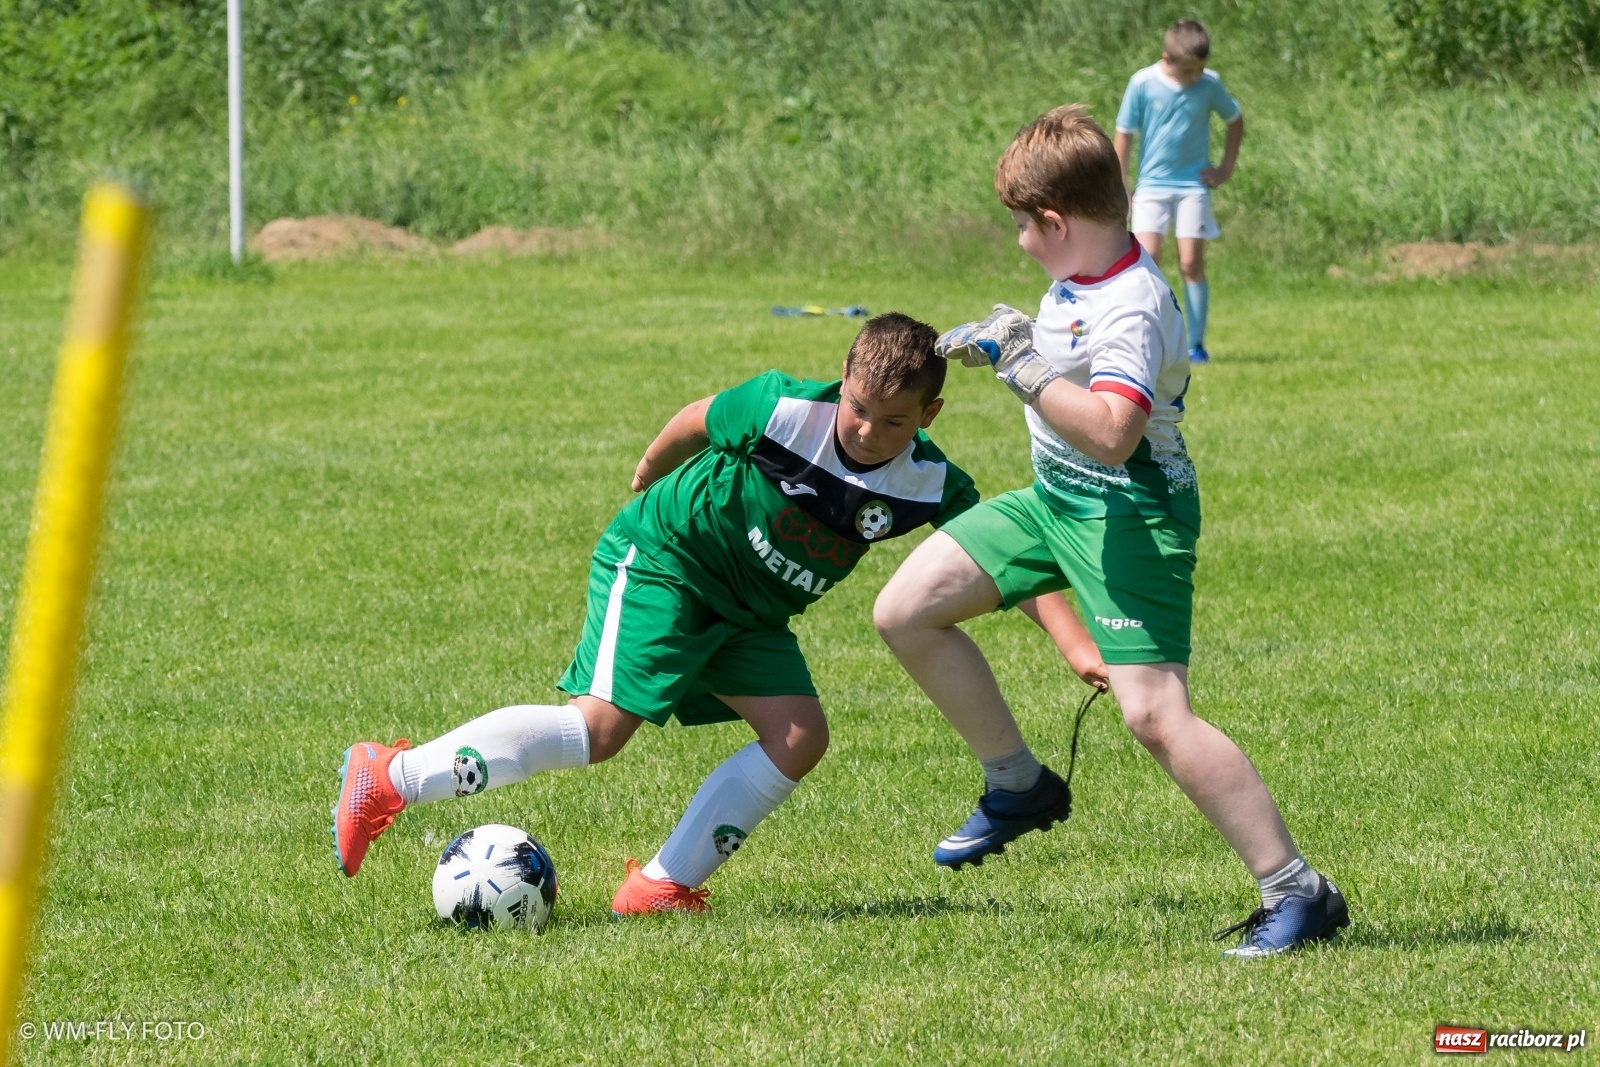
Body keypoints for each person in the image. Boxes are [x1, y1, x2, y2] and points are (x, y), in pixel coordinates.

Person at [872, 105, 1347, 957]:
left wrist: (1022, 367)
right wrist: (1004, 341)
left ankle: (1298, 889)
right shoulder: (1083, 275)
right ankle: (1017, 785)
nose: (1018, 240)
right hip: (1055, 501)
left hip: (1129, 516)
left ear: (1057, 221)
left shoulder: (1129, 303)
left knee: (1156, 714)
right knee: (906, 609)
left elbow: (1113, 432)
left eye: (1022, 225)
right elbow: (1069, 388)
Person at [332, 313, 985, 915]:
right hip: (667, 560)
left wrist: (1069, 631)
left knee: (799, 736)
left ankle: (660, 886)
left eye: (894, 421)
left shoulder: (927, 480)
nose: (869, 429)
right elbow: (699, 418)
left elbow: (996, 546)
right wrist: (650, 467)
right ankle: (391, 777)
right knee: (599, 730)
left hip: (750, 613)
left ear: (929, 413)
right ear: (842, 382)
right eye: (859, 408)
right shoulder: (784, 406)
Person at [1113, 18, 1244, 364]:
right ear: (1167, 59)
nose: (1196, 77)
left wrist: (1224, 168)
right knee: (1146, 261)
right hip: (1151, 187)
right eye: (1189, 70)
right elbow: (1124, 135)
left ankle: (1195, 345)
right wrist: (1121, 185)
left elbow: (1235, 120)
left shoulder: (1209, 84)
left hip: (1192, 188)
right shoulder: (1142, 83)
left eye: (1201, 69)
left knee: (1190, 263)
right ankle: (1146, 338)